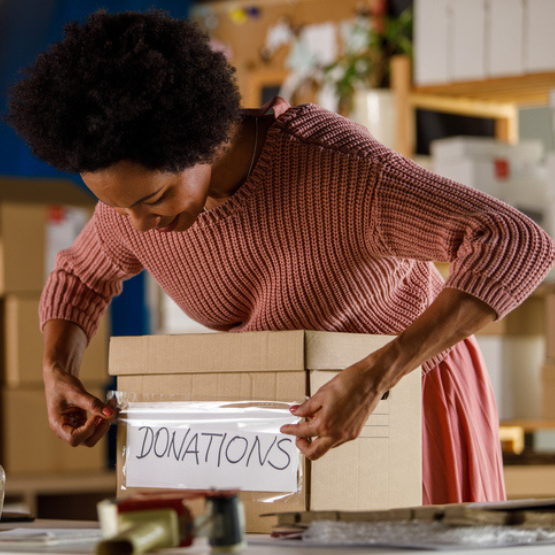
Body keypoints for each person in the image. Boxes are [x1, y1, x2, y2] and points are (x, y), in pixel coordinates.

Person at [5, 10, 555, 505]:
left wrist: (375, 376)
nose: (140, 227)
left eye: (153, 199)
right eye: (116, 207)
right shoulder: (134, 212)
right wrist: (57, 370)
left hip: (408, 387)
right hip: (288, 415)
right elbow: (79, 275)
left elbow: (514, 240)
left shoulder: (341, 172)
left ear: (203, 138)